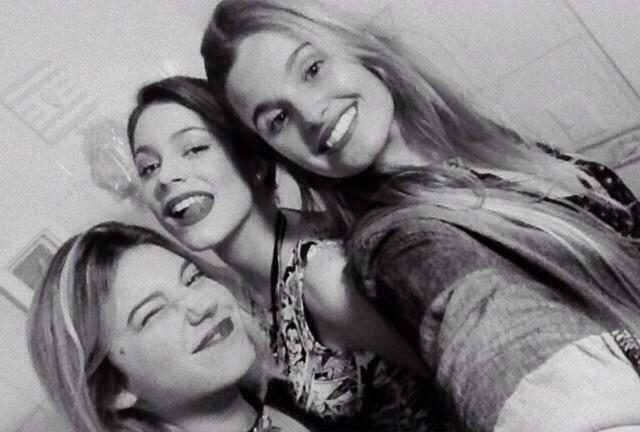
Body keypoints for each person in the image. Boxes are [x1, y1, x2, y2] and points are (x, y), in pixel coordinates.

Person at [200, 1, 640, 431]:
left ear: (355, 48)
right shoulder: (399, 245)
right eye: (278, 119)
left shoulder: (480, 146)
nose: (312, 114)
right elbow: (491, 339)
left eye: (312, 69)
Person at [126, 76, 449, 431]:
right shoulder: (238, 292)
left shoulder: (326, 276)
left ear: (253, 160)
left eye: (194, 149)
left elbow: (468, 383)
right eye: (149, 167)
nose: (166, 177)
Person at [28, 221, 311, 432]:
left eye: (192, 278)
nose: (203, 304)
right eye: (153, 312)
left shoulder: (305, 393)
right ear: (113, 391)